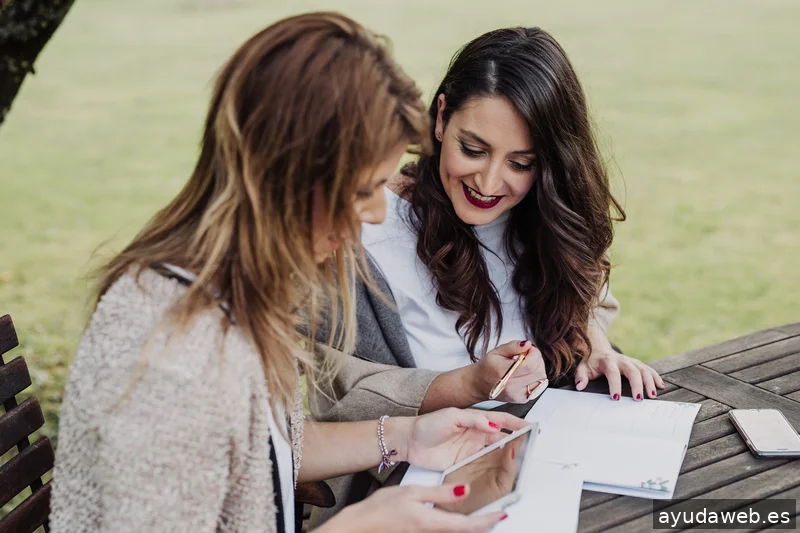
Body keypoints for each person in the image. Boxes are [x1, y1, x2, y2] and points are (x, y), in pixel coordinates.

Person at [49, 13, 525, 533]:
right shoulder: (174, 354)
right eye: (364, 188)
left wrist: (408, 437)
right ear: (288, 176)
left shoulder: (231, 292)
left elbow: (261, 444)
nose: (374, 213)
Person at [308, 26, 666, 523]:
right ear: (440, 117)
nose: (490, 182)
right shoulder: (360, 228)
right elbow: (319, 386)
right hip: (409, 497)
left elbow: (589, 301)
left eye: (520, 162)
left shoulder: (542, 210)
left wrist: (594, 347)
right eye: (472, 149)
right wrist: (465, 384)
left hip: (557, 469)